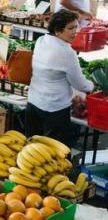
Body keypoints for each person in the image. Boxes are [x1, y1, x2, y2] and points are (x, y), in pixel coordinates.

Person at [27, 10, 95, 147]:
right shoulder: (66, 52)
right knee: (55, 152)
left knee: (32, 147)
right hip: (54, 108)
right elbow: (80, 83)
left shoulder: (41, 40)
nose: (75, 32)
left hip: (33, 102)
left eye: (76, 27)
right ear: (57, 30)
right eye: (70, 28)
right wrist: (92, 85)